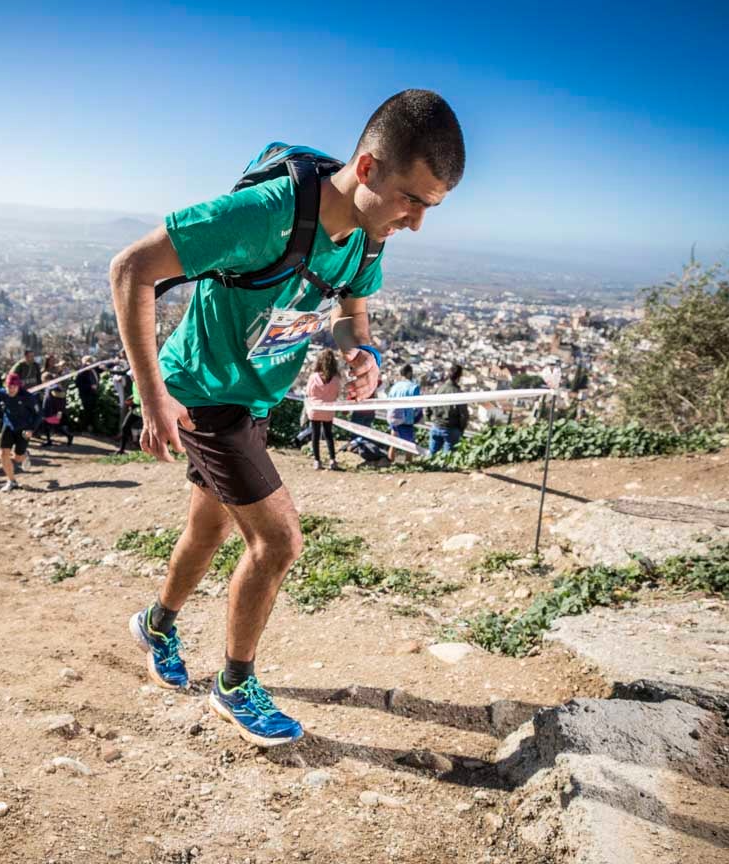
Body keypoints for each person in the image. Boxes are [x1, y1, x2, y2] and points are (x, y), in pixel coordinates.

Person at [111, 89, 464, 746]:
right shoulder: (264, 215)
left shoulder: (367, 235)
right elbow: (131, 268)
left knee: (209, 529)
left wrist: (361, 353)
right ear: (367, 170)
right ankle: (235, 685)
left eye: (431, 207)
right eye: (412, 200)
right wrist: (151, 392)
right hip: (206, 392)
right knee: (278, 540)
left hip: (256, 396)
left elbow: (349, 314)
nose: (416, 222)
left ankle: (155, 625)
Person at [0, 371, 42, 492]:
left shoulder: (28, 397)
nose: (11, 390)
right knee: (3, 453)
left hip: (24, 428)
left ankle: (24, 456)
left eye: (14, 387)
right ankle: (11, 481)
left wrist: (31, 429)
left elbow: (38, 414)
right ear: (5, 386)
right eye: (8, 387)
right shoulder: (1, 393)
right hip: (8, 425)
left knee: (18, 458)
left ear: (19, 386)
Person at [305, 350, 342, 471]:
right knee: (328, 435)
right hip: (328, 410)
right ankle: (332, 460)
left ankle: (317, 461)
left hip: (315, 409)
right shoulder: (336, 379)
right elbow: (337, 394)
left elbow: (309, 393)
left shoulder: (313, 377)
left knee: (315, 435)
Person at [427, 363, 469, 455]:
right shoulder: (459, 393)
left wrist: (431, 419)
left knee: (431, 456)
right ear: (459, 376)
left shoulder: (438, 389)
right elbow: (463, 415)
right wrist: (461, 429)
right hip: (451, 429)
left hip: (436, 425)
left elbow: (427, 407)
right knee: (447, 459)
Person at [385, 363, 421, 462]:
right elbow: (417, 405)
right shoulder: (414, 387)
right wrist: (418, 417)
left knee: (393, 443)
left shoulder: (395, 387)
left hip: (394, 417)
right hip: (406, 419)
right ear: (409, 373)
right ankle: (408, 463)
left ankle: (390, 461)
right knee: (409, 445)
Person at [38, 371, 74, 446]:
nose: (42, 382)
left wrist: (59, 412)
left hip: (53, 411)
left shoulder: (54, 387)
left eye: (43, 380)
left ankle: (69, 436)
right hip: (48, 410)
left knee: (56, 427)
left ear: (47, 379)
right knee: (47, 426)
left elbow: (61, 398)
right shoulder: (49, 386)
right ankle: (49, 441)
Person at [74, 356, 100, 434]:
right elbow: (78, 383)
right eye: (89, 361)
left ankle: (90, 428)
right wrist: (90, 386)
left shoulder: (93, 369)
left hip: (93, 394)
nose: (91, 363)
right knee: (87, 412)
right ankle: (83, 429)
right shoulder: (82, 371)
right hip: (86, 394)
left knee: (92, 411)